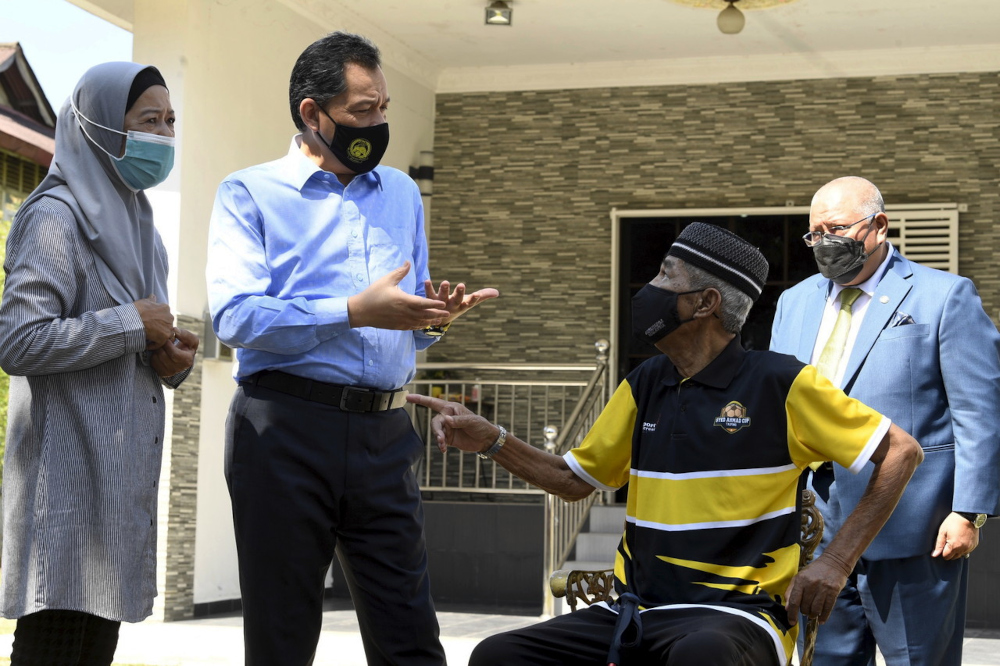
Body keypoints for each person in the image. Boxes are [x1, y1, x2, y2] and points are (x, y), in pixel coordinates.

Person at [409, 222, 922, 666]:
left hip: (738, 616)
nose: (648, 288)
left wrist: (835, 562)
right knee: (498, 656)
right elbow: (572, 480)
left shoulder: (782, 384)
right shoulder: (645, 383)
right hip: (636, 610)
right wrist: (490, 440)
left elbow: (901, 452)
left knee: (700, 655)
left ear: (705, 302)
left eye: (664, 277)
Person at [206, 31, 498, 666]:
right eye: (364, 111)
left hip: (385, 434)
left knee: (411, 637)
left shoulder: (399, 192)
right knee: (283, 637)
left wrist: (436, 318)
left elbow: (407, 320)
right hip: (283, 430)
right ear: (312, 113)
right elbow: (234, 315)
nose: (379, 123)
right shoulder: (248, 193)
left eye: (384, 107)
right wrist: (350, 311)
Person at [0, 62, 198, 665]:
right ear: (99, 127)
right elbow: (19, 340)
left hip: (115, 498)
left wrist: (169, 360)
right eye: (147, 121)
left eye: (169, 122)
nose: (162, 135)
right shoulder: (55, 217)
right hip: (65, 501)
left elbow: (140, 342)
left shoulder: (142, 228)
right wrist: (130, 324)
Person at [770, 176, 1000, 666]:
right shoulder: (794, 302)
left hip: (915, 531)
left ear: (878, 226)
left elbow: (980, 413)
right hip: (814, 531)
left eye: (836, 228)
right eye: (815, 233)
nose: (824, 243)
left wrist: (970, 511)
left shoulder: (944, 297)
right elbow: (779, 410)